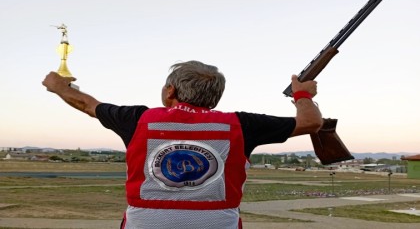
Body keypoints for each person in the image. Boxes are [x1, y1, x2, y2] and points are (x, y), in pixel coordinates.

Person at [42, 60, 322, 229]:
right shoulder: (241, 124)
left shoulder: (139, 119)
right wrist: (302, 94)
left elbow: (87, 104)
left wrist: (58, 87)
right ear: (215, 98)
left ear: (170, 91)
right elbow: (310, 122)